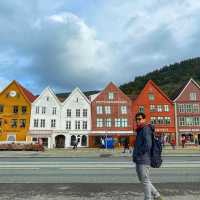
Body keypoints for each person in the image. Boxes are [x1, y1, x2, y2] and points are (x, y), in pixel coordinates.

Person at [133, 112, 163, 200]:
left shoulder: (145, 129)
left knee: (144, 180)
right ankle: (157, 195)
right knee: (143, 179)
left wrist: (138, 153)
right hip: (139, 159)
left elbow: (148, 145)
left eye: (139, 119)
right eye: (136, 119)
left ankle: (148, 198)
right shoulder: (140, 130)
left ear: (144, 119)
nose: (138, 121)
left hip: (143, 159)